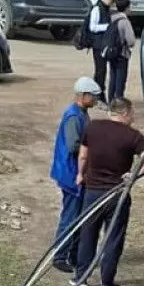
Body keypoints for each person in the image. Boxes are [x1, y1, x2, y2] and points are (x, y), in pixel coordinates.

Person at [72, 97, 144, 286]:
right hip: (117, 193)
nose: (133, 117)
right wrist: (134, 174)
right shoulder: (133, 136)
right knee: (113, 237)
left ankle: (81, 278)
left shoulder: (93, 127)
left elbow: (83, 155)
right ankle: (107, 282)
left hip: (93, 192)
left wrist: (80, 174)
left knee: (88, 234)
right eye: (132, 113)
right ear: (125, 113)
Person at [49, 76, 103, 273]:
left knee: (79, 216)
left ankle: (74, 254)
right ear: (83, 95)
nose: (96, 100)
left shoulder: (82, 113)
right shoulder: (73, 117)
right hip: (70, 174)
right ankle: (60, 256)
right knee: (71, 216)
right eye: (93, 96)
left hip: (75, 173)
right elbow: (73, 145)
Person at [85, 0, 116, 104]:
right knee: (100, 71)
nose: (111, 4)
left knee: (102, 71)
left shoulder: (106, 9)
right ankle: (98, 94)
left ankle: (97, 93)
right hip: (98, 45)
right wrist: (107, 26)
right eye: (111, 1)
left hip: (103, 44)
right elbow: (92, 27)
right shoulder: (97, 9)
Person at [103, 0, 136, 102]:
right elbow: (131, 41)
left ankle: (110, 101)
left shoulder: (112, 18)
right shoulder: (124, 21)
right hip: (122, 54)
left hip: (111, 53)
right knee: (120, 80)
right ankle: (118, 102)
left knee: (113, 78)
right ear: (127, 7)